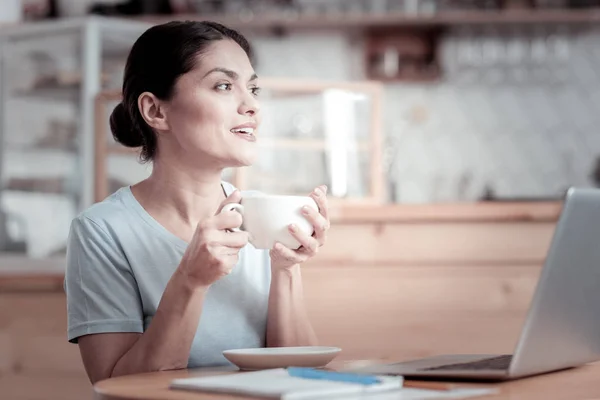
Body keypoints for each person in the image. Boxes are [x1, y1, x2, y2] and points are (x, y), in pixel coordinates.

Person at [64, 20, 330, 384]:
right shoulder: (101, 230)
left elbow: (298, 375)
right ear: (156, 111)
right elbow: (115, 386)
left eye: (253, 88)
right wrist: (190, 280)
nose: (251, 105)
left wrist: (285, 269)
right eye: (223, 85)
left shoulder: (263, 216)